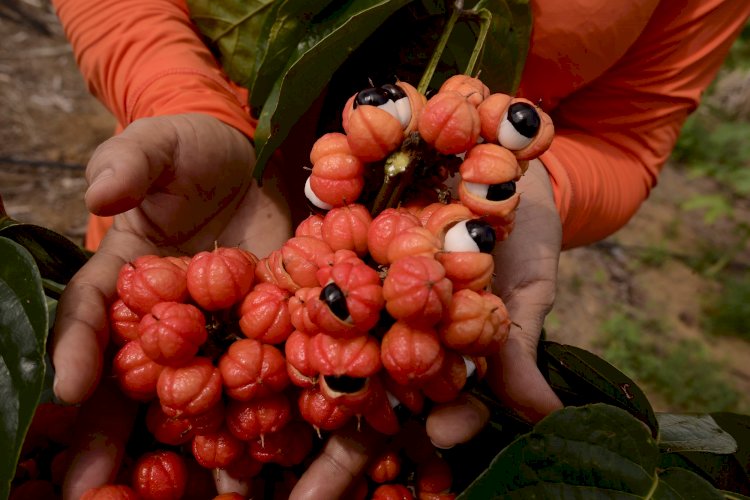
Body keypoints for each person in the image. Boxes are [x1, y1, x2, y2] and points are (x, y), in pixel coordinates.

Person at [49, 0, 750, 498]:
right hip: (189, 237)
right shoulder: (191, 316)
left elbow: (628, 136)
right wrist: (180, 98)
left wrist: (521, 192)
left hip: (455, 288)